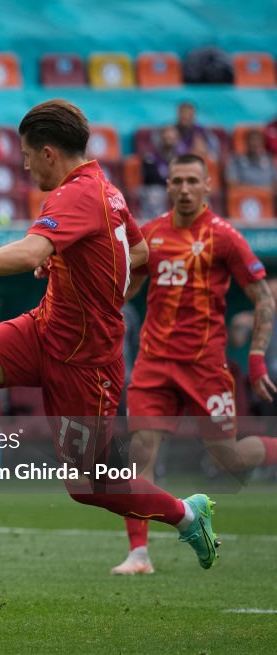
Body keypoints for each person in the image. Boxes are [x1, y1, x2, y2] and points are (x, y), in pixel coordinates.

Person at [0, 100, 221, 573]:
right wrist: (77, 273)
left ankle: (186, 514)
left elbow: (34, 249)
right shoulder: (108, 192)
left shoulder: (75, 195)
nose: (25, 163)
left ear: (50, 152)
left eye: (27, 154)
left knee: (90, 486)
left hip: (86, 363)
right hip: (45, 328)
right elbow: (138, 256)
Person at [111, 153, 277, 575]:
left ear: (207, 186)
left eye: (191, 181)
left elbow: (263, 298)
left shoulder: (225, 238)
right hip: (153, 364)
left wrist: (256, 359)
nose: (183, 188)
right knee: (141, 453)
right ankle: (139, 554)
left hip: (205, 366)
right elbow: (126, 288)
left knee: (230, 457)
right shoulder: (151, 235)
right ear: (167, 187)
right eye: (176, 181)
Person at [140, 125, 180, 218]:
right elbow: (150, 178)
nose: (169, 141)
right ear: (160, 138)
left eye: (172, 138)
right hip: (157, 189)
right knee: (155, 193)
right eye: (166, 138)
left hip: (174, 187)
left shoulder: (179, 158)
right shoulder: (150, 156)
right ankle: (155, 222)